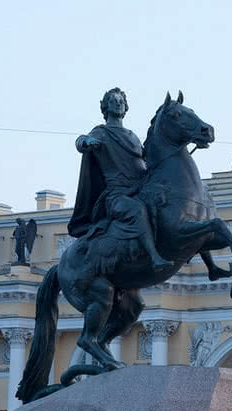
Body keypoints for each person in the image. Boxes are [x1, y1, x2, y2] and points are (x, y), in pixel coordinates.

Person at [68, 87, 174, 272]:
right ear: (106, 107)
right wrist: (86, 142)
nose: (118, 103)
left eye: (121, 101)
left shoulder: (132, 136)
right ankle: (154, 257)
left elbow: (145, 160)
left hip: (140, 189)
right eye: (113, 101)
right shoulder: (101, 132)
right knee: (137, 210)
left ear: (125, 108)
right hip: (116, 196)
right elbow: (80, 141)